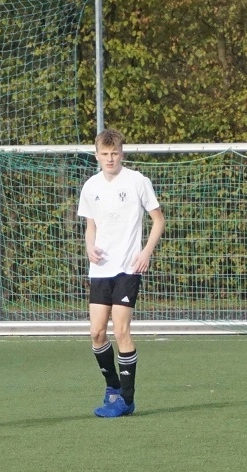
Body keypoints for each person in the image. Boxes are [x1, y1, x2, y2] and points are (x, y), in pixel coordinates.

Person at [78, 128, 166, 417]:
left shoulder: (137, 181)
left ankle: (126, 400)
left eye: (114, 153)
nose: (110, 158)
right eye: (104, 154)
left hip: (128, 268)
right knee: (96, 332)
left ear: (122, 153)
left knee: (121, 330)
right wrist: (89, 246)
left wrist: (146, 252)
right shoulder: (90, 186)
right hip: (100, 269)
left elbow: (158, 220)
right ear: (96, 155)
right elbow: (90, 225)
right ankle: (113, 387)